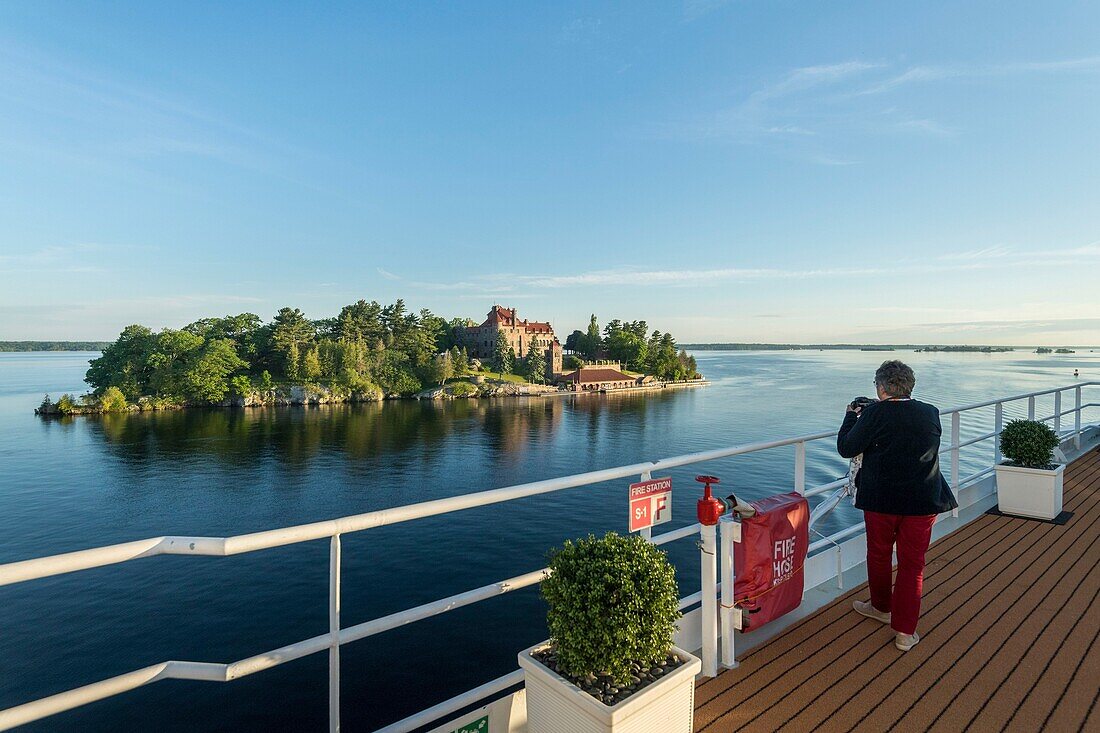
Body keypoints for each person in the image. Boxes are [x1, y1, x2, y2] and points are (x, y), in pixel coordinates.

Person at [837, 360, 958, 651]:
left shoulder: (875, 413)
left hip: (882, 500)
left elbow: (846, 448)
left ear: (880, 387)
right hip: (923, 498)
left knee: (879, 555)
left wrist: (851, 416)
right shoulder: (930, 412)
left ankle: (881, 607)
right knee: (912, 565)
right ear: (909, 386)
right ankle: (905, 633)